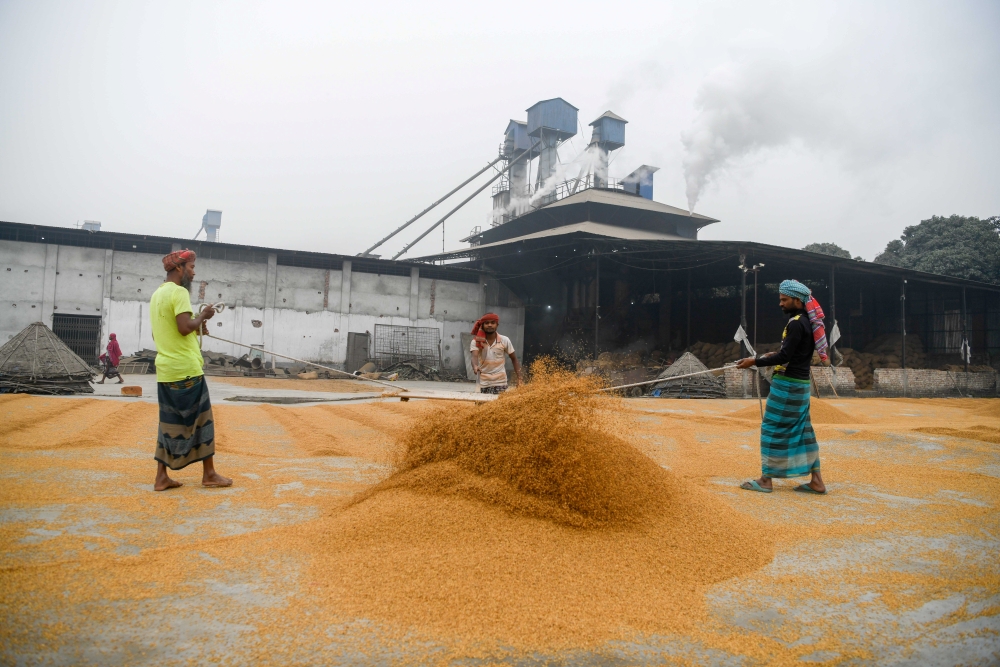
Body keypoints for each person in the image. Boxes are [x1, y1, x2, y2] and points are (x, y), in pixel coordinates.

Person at [150, 249, 231, 491]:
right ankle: (209, 474)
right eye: (192, 267)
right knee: (203, 420)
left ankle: (161, 477)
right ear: (179, 268)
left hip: (166, 371)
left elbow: (164, 331)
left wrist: (197, 326)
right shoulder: (179, 292)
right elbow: (184, 328)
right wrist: (203, 316)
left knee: (168, 424)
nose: (194, 273)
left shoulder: (157, 294)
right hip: (186, 369)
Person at [736, 279, 826, 495]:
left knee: (771, 429)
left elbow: (785, 356)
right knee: (803, 430)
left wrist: (754, 361)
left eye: (784, 300)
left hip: (787, 386)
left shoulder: (795, 323)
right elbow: (793, 353)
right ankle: (817, 481)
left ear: (798, 300)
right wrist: (772, 355)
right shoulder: (807, 322)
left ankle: (766, 480)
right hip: (801, 385)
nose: (781, 304)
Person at [469, 312, 522, 394]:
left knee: (499, 402)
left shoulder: (505, 340)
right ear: (482, 325)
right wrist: (475, 366)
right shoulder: (476, 341)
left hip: (500, 382)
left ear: (497, 325)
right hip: (483, 383)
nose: (490, 325)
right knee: (482, 402)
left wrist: (520, 378)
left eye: (493, 323)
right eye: (487, 323)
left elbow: (514, 359)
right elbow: (474, 356)